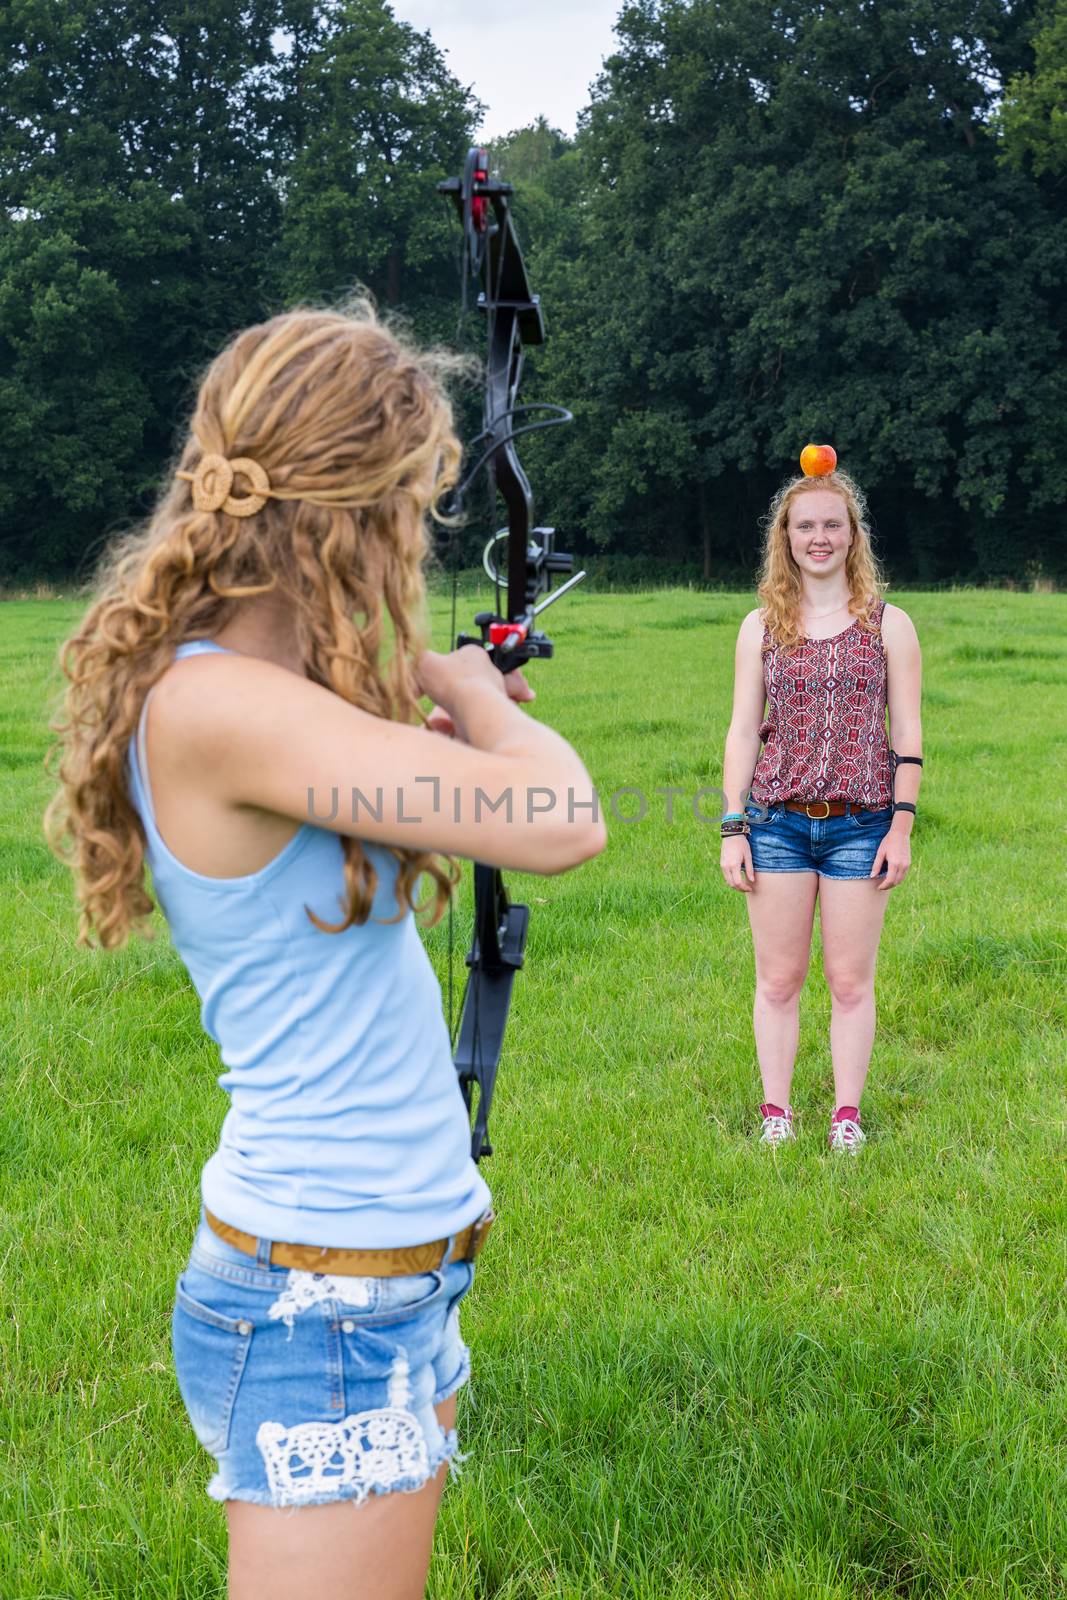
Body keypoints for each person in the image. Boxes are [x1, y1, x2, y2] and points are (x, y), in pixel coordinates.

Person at [43, 301, 606, 1599]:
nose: (420, 538)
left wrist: (422, 699)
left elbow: (396, 767)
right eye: (413, 505)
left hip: (372, 1286)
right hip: (319, 1304)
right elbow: (559, 819)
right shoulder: (220, 708)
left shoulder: (265, 700)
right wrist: (464, 691)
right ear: (350, 518)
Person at [718, 456, 922, 1151]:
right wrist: (731, 825)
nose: (818, 537)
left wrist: (901, 824)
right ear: (785, 536)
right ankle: (776, 1114)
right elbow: (743, 730)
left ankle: (845, 1116)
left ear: (852, 534)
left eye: (831, 524)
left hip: (861, 825)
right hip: (775, 822)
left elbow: (908, 735)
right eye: (804, 525)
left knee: (847, 980)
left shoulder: (889, 625)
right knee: (778, 980)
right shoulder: (760, 626)